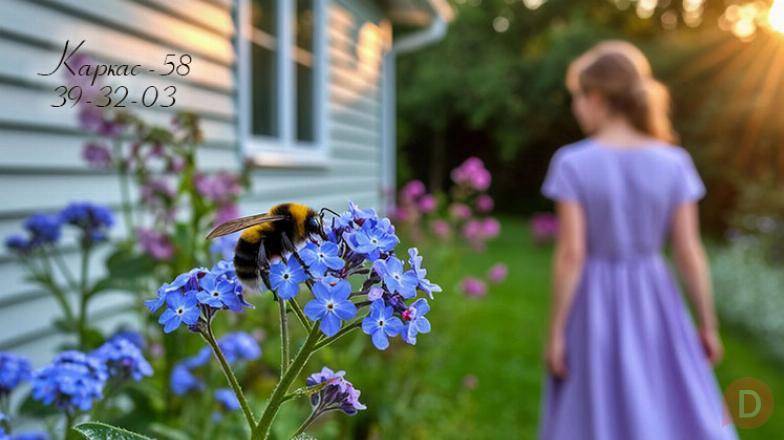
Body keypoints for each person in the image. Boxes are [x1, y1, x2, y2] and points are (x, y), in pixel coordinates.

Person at [538, 41, 738, 439]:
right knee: (663, 401)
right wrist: (706, 324)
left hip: (593, 301)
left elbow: (572, 254)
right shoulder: (674, 163)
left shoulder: (573, 162)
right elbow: (688, 251)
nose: (575, 107)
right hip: (655, 296)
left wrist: (556, 331)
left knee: (596, 406)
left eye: (576, 97)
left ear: (595, 97)